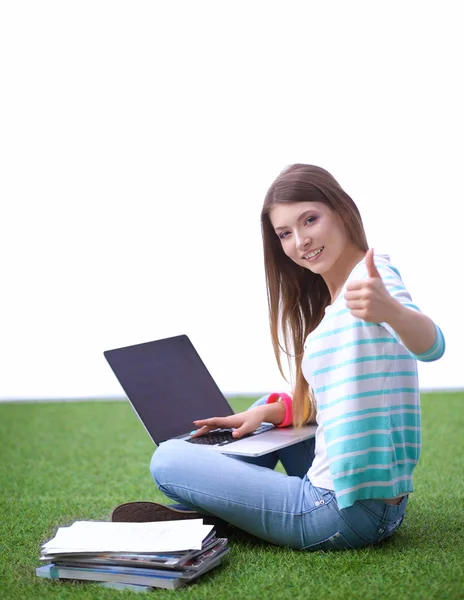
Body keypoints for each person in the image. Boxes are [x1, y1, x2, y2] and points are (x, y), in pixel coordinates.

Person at [112, 164, 445, 550]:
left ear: (342, 210)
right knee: (267, 407)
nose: (301, 241)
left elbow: (432, 345)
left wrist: (391, 311)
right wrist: (273, 413)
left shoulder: (372, 280)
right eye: (285, 233)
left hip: (336, 511)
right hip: (379, 505)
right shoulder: (337, 299)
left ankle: (222, 505)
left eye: (310, 220)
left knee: (168, 459)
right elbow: (344, 401)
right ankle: (232, 499)